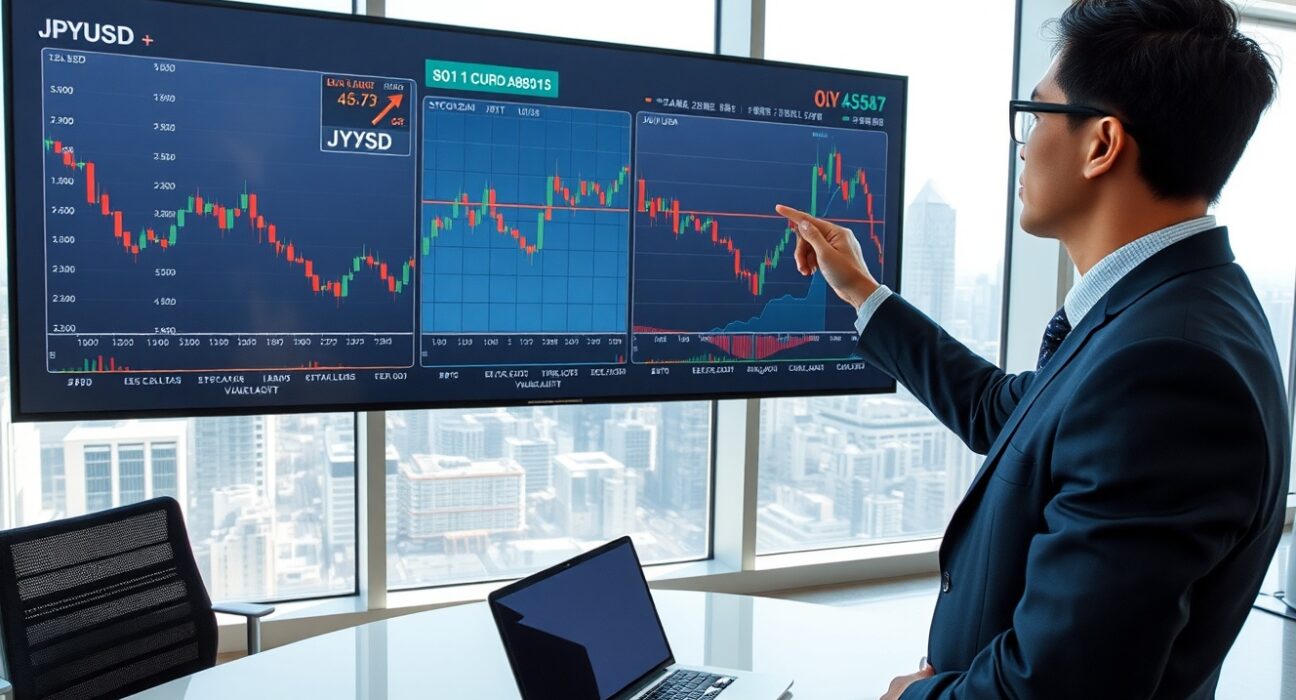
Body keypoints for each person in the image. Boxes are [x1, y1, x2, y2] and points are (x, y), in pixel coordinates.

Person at [776, 1, 1287, 697]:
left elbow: (1061, 684)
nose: (1023, 141)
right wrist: (864, 292)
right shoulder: (1169, 312)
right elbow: (1002, 412)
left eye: (1037, 113)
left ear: (1101, 144)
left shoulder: (1166, 368)